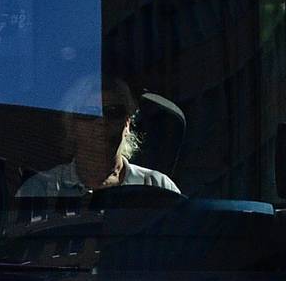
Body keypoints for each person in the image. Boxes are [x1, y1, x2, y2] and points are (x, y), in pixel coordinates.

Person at [19, 75, 179, 203]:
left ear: (128, 123)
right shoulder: (39, 190)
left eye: (114, 111)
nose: (102, 120)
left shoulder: (157, 186)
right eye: (90, 112)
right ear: (71, 123)